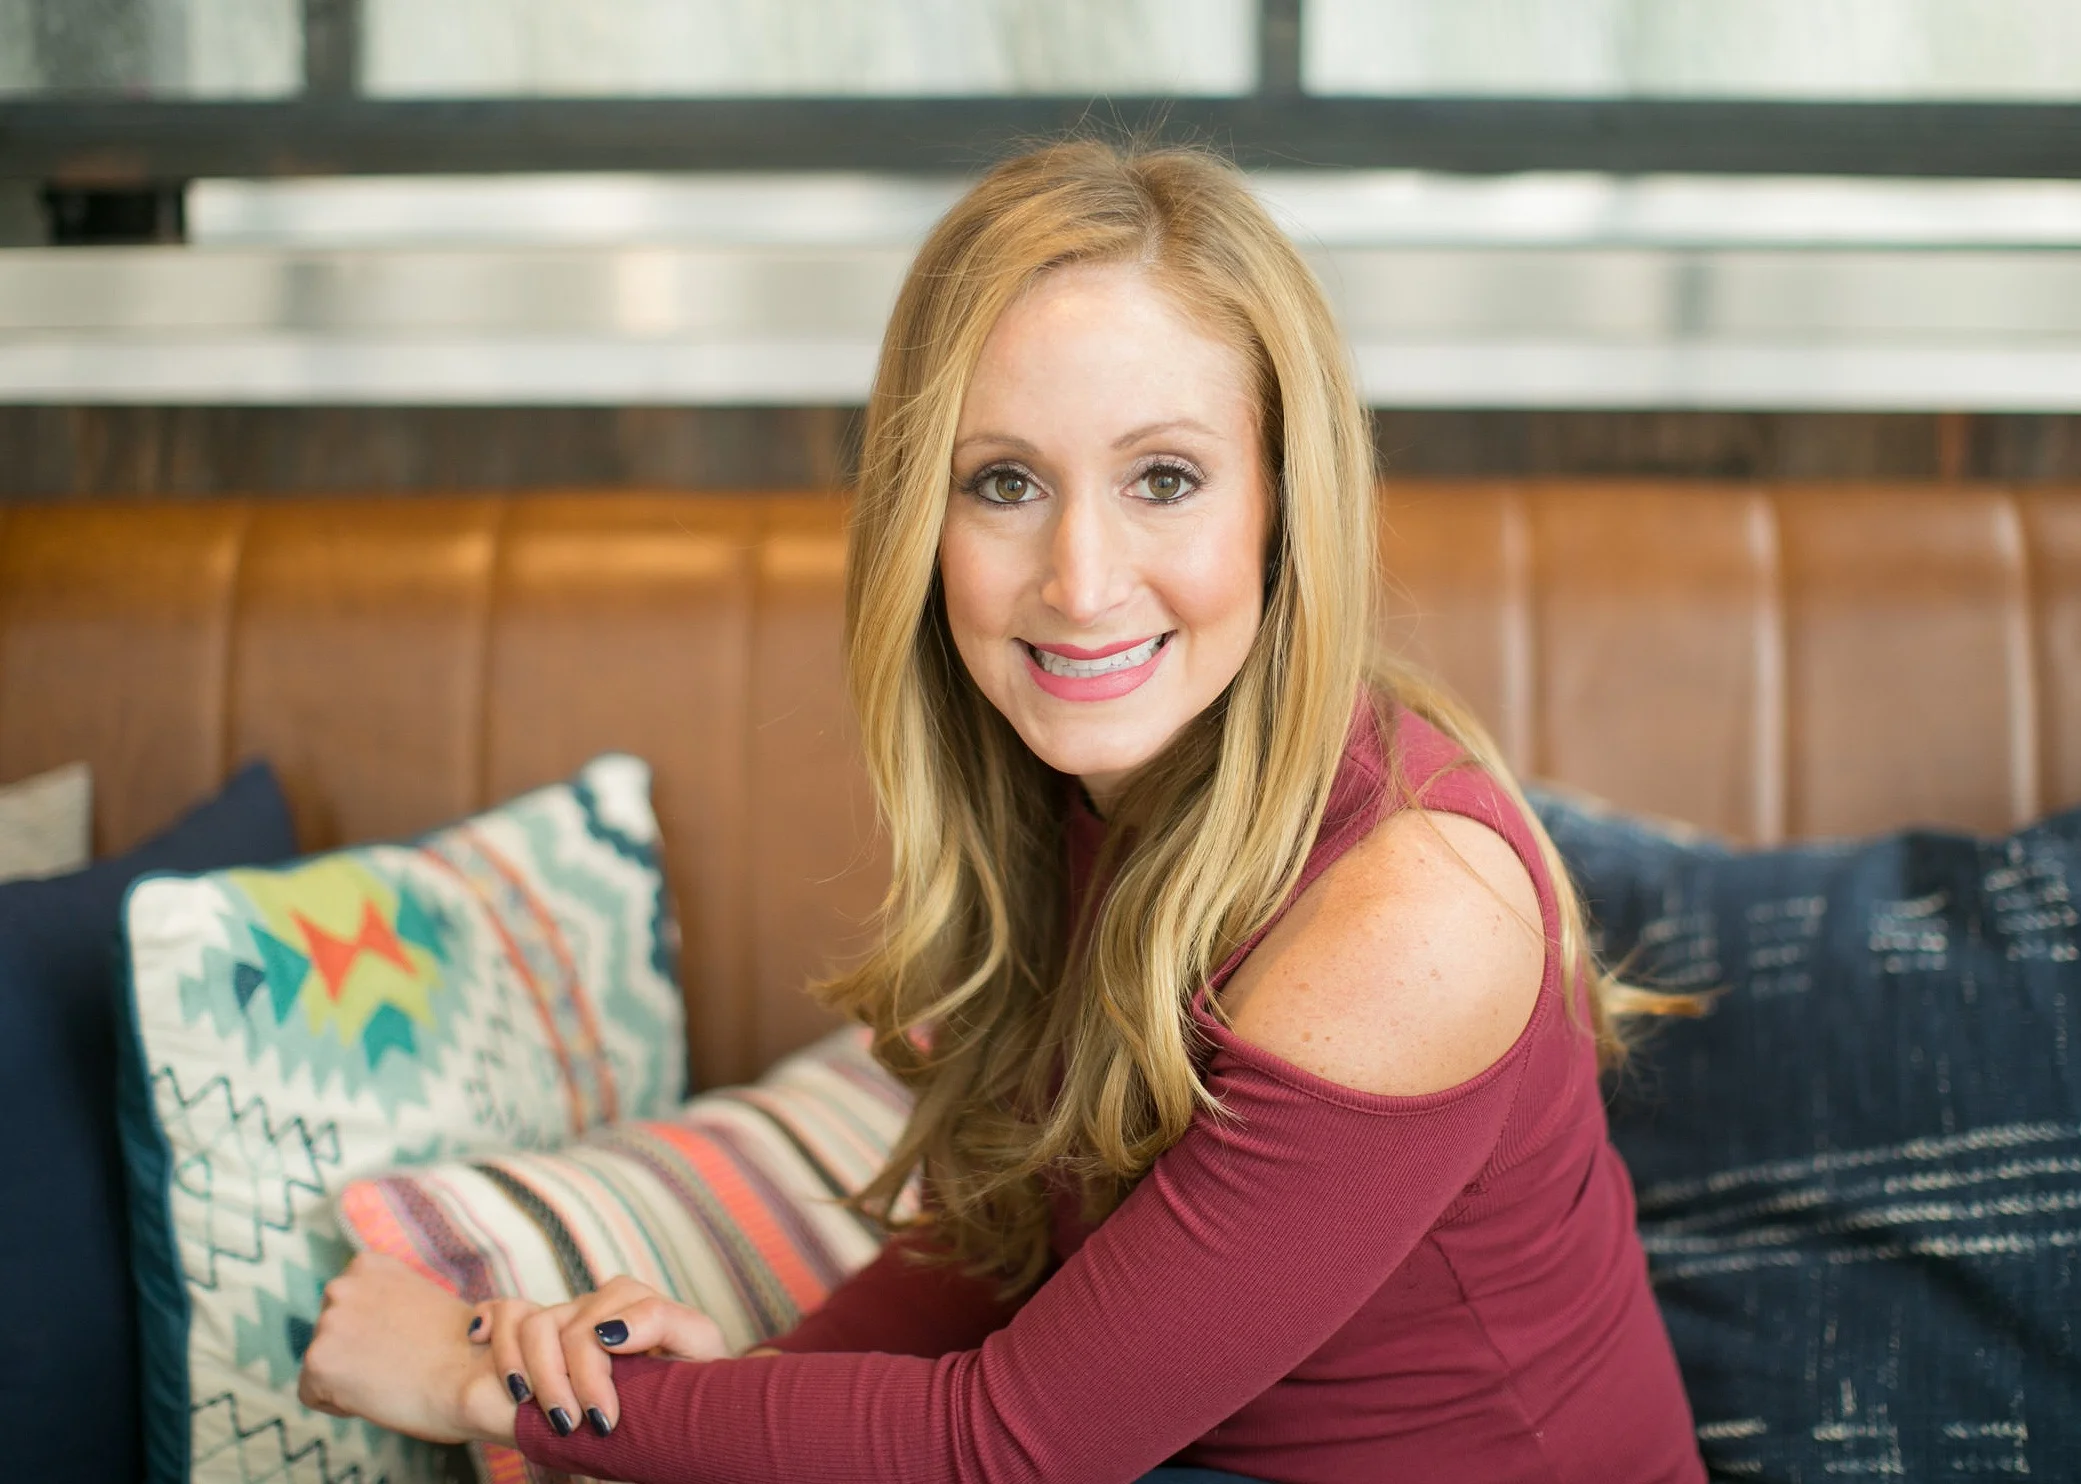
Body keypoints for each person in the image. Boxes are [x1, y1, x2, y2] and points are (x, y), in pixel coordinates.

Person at [298, 138, 1706, 1483]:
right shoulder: (1091, 790)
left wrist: (483, 1387)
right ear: (925, 520)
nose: (1080, 580)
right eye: (1005, 483)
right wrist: (744, 1382)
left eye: (1165, 479)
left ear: (1286, 511)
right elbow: (1010, 1245)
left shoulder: (1411, 917)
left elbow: (1009, 1451)